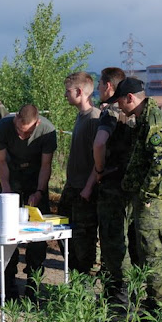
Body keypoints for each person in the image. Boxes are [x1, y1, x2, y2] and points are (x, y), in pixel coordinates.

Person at [108, 78, 162, 310]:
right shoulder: (143, 118)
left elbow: (161, 165)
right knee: (143, 249)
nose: (119, 107)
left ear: (130, 98)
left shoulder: (154, 122)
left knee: (153, 252)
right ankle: (148, 300)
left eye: (120, 102)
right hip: (145, 197)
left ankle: (159, 308)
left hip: (153, 200)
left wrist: (147, 194)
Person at [0, 104, 57, 301]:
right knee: (6, 235)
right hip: (11, 179)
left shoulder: (47, 130)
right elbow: (1, 161)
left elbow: (46, 165)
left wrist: (39, 191)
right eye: (18, 128)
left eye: (26, 132)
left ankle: (33, 288)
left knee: (38, 238)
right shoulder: (3, 128)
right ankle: (8, 289)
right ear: (15, 119)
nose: (21, 135)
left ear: (36, 123)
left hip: (35, 180)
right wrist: (7, 189)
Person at [92, 67, 133, 303]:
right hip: (132, 185)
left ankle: (116, 298)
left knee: (111, 240)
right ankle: (127, 293)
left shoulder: (111, 111)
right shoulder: (138, 111)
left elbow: (99, 143)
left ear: (108, 86)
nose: (98, 88)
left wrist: (98, 171)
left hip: (112, 183)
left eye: (99, 84)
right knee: (128, 240)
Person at [58, 72, 101, 274]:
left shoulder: (94, 118)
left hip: (84, 190)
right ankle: (75, 277)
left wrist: (88, 187)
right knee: (63, 233)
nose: (65, 95)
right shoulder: (81, 116)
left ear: (79, 91)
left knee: (84, 240)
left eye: (68, 91)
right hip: (72, 186)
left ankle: (84, 285)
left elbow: (98, 160)